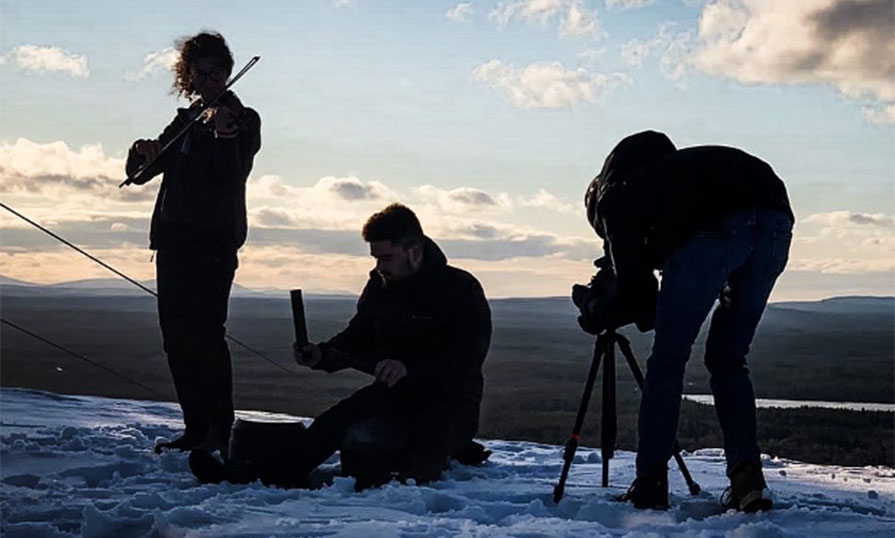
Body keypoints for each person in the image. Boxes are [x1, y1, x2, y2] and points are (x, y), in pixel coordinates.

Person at [582, 130, 793, 512]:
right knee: (728, 358)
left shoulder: (616, 196)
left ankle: (650, 482)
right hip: (776, 218)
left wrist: (601, 310)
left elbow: (638, 299)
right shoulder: (673, 175)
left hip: (715, 230)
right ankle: (748, 480)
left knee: (668, 360)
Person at [124, 32, 261, 456]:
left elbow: (230, 177)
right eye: (201, 74)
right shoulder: (184, 121)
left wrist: (223, 138)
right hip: (174, 241)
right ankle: (195, 427)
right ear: (190, 77)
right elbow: (141, 175)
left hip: (213, 242)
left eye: (218, 72)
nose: (211, 80)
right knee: (176, 337)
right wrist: (140, 151)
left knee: (206, 335)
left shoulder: (244, 119)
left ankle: (221, 429)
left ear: (227, 72)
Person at [290, 203, 493, 489]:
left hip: (450, 401)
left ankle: (436, 462)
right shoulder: (380, 286)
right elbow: (358, 335)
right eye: (376, 258)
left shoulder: (460, 288)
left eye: (386, 258)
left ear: (414, 250)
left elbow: (468, 357)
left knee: (417, 461)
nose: (379, 266)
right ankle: (275, 474)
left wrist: (409, 367)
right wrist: (322, 354)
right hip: (394, 393)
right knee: (331, 423)